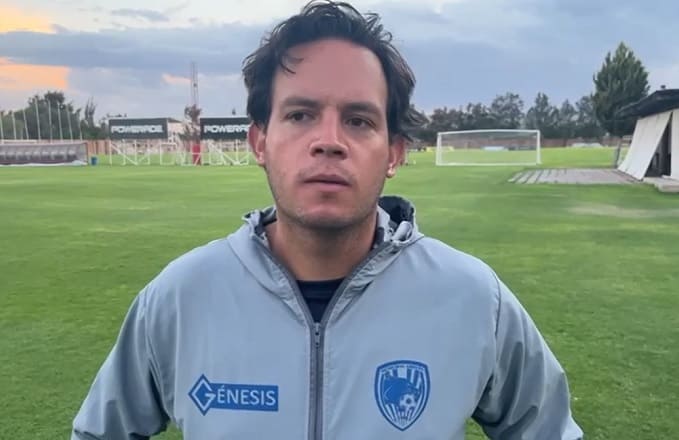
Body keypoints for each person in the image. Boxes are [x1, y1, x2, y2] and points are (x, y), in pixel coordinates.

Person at [71, 1, 584, 438]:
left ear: (394, 153)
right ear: (260, 142)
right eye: (300, 115)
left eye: (359, 120)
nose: (329, 141)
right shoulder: (180, 298)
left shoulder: (473, 298)